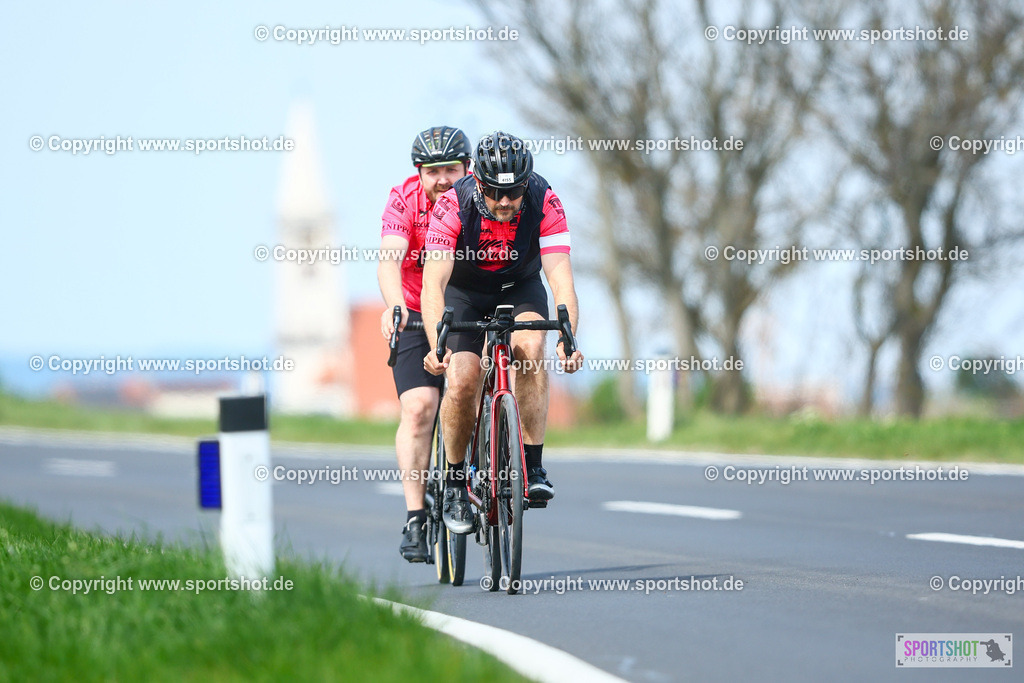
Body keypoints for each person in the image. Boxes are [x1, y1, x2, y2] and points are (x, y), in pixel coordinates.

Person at [421, 131, 584, 534]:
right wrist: (436, 345)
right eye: (496, 192)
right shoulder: (451, 205)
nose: (507, 201)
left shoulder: (545, 199)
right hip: (466, 293)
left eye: (514, 191)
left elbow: (562, 281)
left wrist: (567, 339)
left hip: (520, 288)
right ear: (479, 182)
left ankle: (533, 466)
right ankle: (457, 482)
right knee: (462, 379)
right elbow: (433, 286)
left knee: (531, 346)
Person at [378, 125, 471, 561]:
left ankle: (480, 459)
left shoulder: (480, 198)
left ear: (466, 168)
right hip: (417, 312)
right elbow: (389, 259)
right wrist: (395, 306)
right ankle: (416, 516)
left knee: (470, 386)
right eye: (432, 171)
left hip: (467, 309)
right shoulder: (402, 200)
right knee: (418, 408)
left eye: (451, 169)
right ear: (419, 172)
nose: (442, 179)